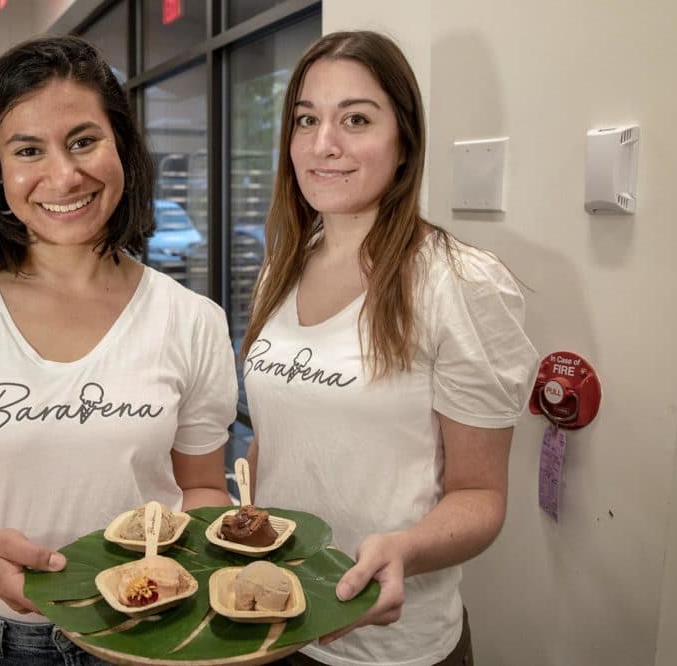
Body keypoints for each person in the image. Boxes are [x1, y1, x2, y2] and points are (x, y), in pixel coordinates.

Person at [0, 35, 237, 666]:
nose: (64, 175)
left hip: (151, 629)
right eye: (28, 150)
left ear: (121, 146)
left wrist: (190, 566)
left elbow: (200, 488)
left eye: (85, 140)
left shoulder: (191, 320)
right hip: (0, 641)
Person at [243, 31, 539, 666]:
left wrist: (404, 548)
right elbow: (282, 433)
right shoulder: (283, 267)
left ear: (404, 141)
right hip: (274, 623)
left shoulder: (458, 282)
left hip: (391, 647)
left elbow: (480, 496)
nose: (325, 144)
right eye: (306, 120)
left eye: (355, 119)